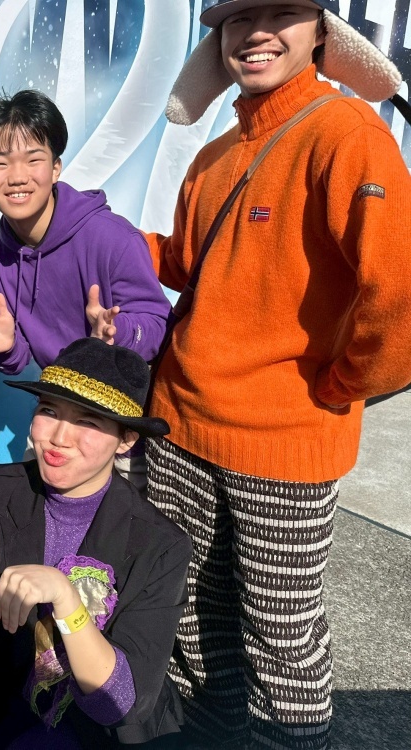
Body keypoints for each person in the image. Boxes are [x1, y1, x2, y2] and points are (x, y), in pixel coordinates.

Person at [145, 2, 411, 747]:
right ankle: (209, 736)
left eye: (283, 12)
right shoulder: (216, 155)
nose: (257, 31)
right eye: (239, 18)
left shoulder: (347, 134)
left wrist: (340, 387)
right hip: (180, 428)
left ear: (321, 30)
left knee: (281, 636)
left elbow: (400, 299)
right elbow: (188, 264)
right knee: (191, 612)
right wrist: (88, 232)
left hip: (283, 447)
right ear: (218, 39)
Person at [0, 338, 191, 748]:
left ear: (126, 440)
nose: (58, 437)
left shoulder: (159, 545)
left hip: (98, 728)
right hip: (6, 701)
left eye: (88, 422)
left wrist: (66, 598)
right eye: (49, 411)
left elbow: (119, 705)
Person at [0, 89, 170, 489]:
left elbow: (159, 326)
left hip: (125, 431)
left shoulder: (111, 238)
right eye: (1, 162)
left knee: (125, 526)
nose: (17, 177)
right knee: (36, 514)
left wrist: (119, 333)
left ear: (56, 167)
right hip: (59, 416)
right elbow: (18, 357)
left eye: (33, 160)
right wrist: (6, 348)